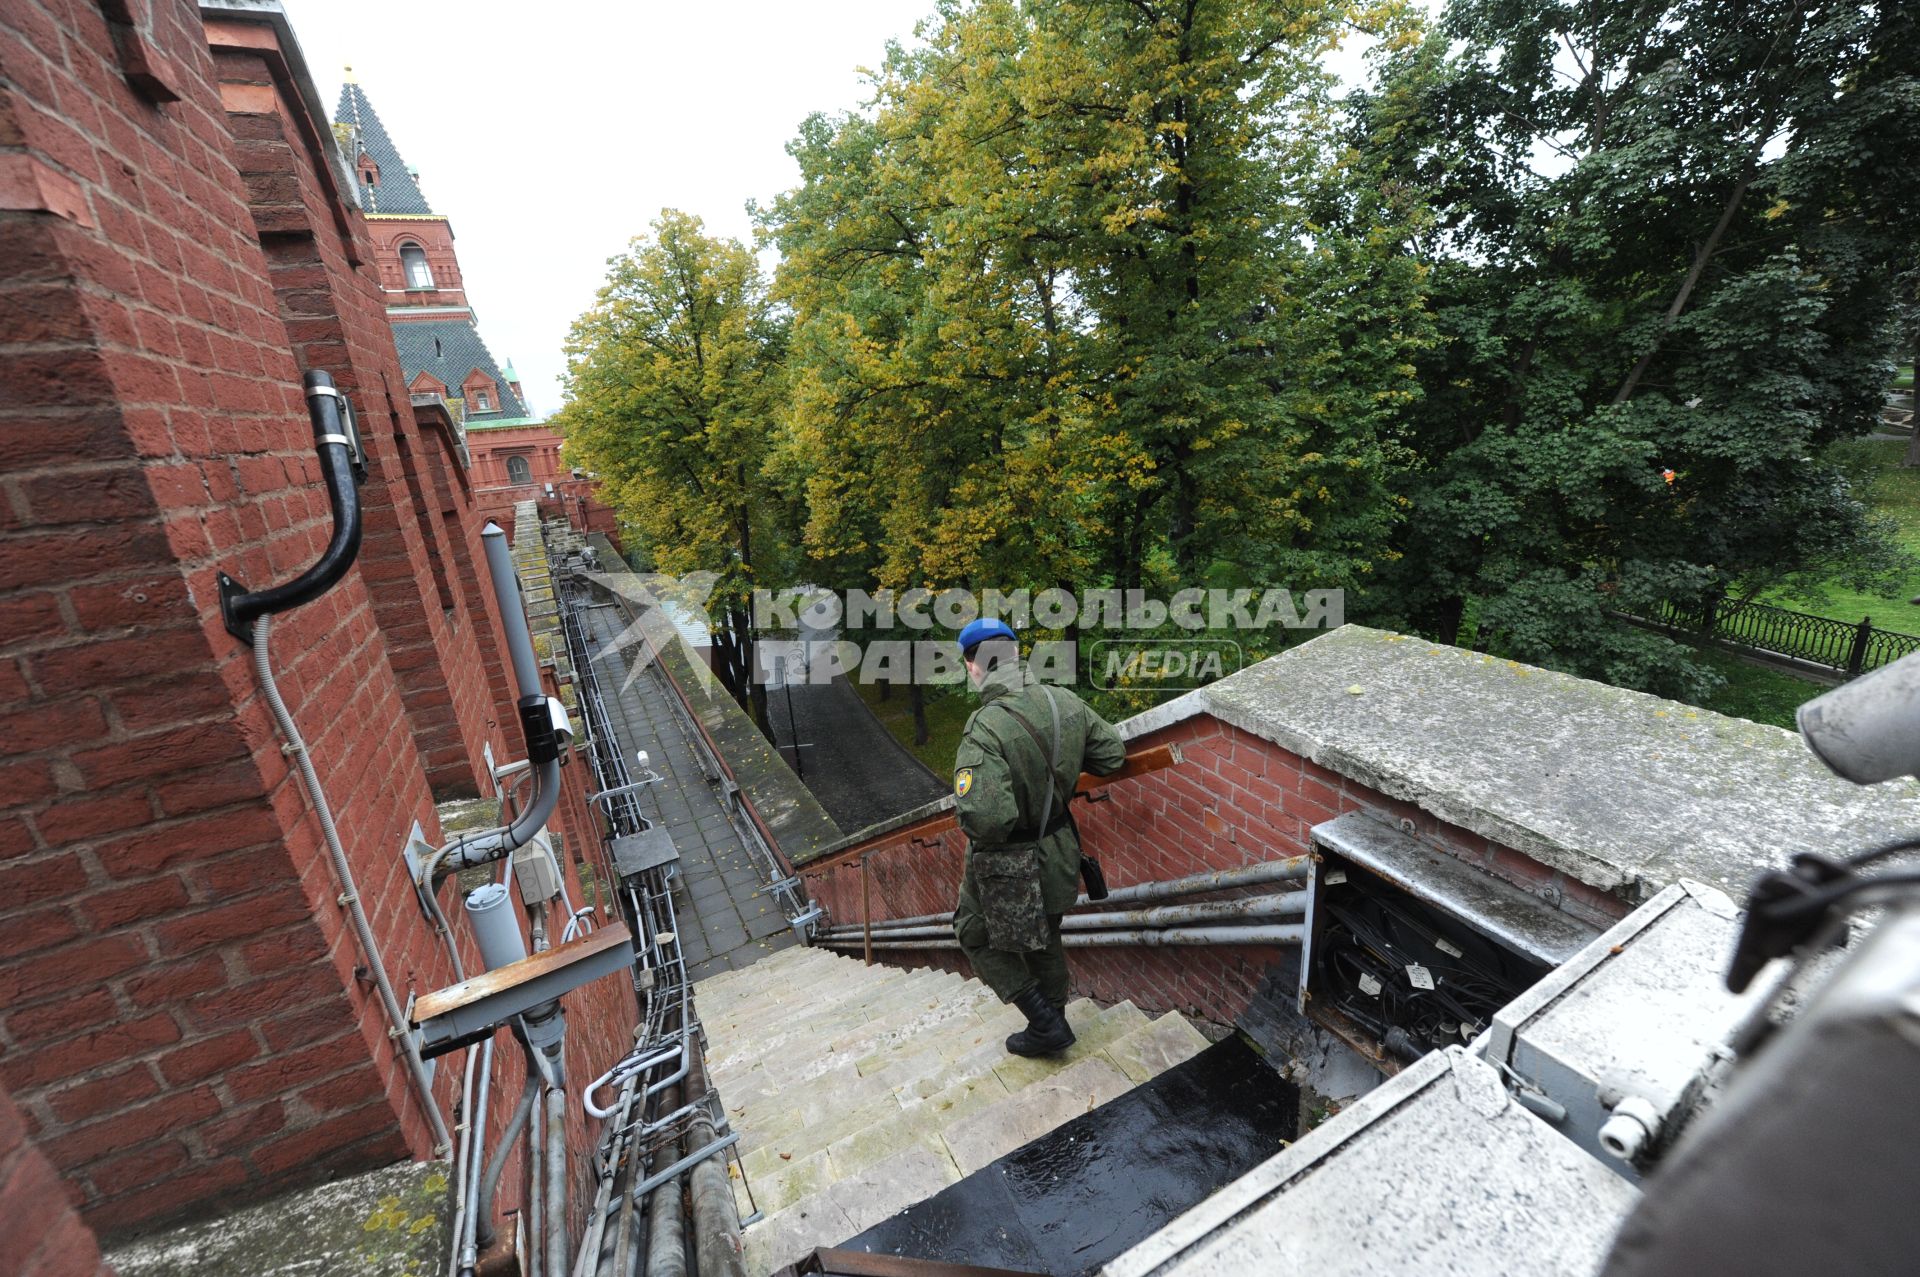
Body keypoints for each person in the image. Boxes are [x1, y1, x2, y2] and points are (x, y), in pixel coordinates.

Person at [950, 618, 1127, 1056]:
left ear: (974, 666)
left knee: (972, 931)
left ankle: (1043, 1021)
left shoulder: (985, 726)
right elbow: (1111, 755)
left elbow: (988, 819)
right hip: (1061, 850)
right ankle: (1056, 1021)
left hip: (1010, 863)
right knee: (1045, 935)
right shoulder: (1062, 701)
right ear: (1014, 656)